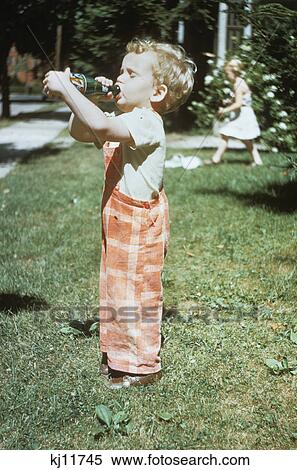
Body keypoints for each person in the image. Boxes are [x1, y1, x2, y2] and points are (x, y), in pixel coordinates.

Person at [43, 38, 196, 389]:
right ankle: (118, 355)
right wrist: (81, 96)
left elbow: (99, 127)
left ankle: (143, 366)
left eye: (131, 73)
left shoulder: (147, 121)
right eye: (120, 70)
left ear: (156, 92)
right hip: (118, 218)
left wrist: (68, 90)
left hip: (140, 222)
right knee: (116, 290)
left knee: (138, 292)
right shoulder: (125, 117)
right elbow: (81, 129)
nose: (119, 78)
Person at [207, 58, 263, 166]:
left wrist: (224, 110)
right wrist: (228, 101)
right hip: (244, 114)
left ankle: (216, 159)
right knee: (246, 139)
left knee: (227, 134)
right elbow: (241, 99)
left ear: (233, 72)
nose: (226, 76)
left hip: (243, 115)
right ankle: (257, 161)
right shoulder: (240, 82)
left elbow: (238, 104)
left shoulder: (238, 84)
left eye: (227, 73)